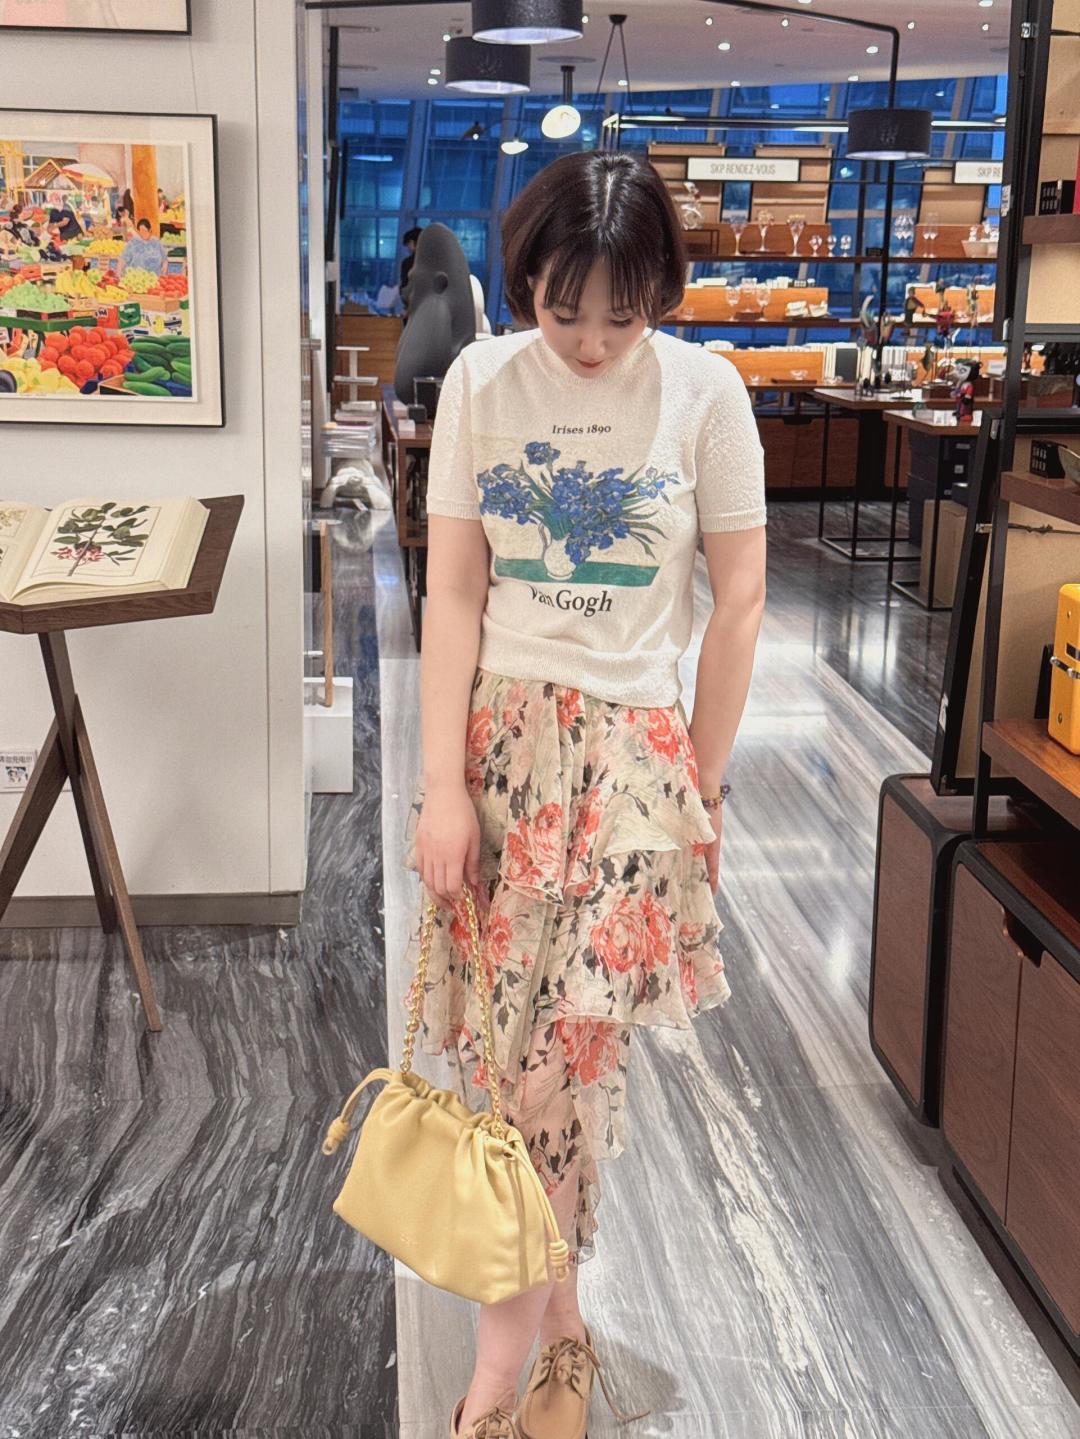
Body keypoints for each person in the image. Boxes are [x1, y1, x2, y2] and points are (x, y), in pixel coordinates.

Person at [401, 150, 767, 1439]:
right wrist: (440, 787)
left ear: (662, 290)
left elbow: (740, 600)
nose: (596, 341)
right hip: (501, 752)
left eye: (627, 311)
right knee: (506, 1068)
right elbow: (453, 590)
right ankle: (562, 1331)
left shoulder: (707, 394)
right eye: (566, 311)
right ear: (524, 287)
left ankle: (492, 1386)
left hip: (632, 765)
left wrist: (699, 788)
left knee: (557, 1068)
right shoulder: (482, 382)